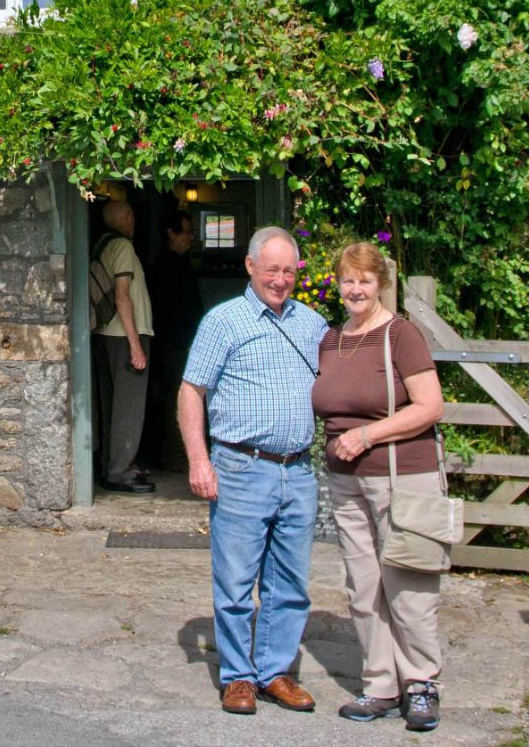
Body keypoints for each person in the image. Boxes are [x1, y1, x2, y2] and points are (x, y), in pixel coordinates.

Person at [178, 226, 328, 716]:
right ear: (250, 267)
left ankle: (275, 671)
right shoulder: (224, 321)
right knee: (237, 583)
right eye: (272, 270)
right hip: (241, 467)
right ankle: (238, 677)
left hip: (298, 471)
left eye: (288, 271)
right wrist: (199, 460)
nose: (281, 280)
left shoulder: (312, 324)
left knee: (290, 584)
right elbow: (190, 392)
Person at [310, 241, 448, 732]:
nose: (355, 289)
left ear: (381, 284)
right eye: (348, 280)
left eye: (365, 280)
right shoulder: (332, 338)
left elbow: (430, 407)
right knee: (363, 586)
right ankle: (380, 686)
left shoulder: (400, 335)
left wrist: (367, 434)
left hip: (402, 477)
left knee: (407, 582)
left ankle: (422, 684)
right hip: (347, 483)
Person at [94, 199, 155, 494]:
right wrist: (135, 345)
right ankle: (120, 471)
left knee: (110, 405)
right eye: (131, 215)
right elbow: (122, 297)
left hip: (106, 335)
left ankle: (111, 465)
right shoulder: (123, 248)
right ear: (127, 217)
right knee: (128, 408)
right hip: (124, 335)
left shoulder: (102, 244)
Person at [138, 210, 204, 472]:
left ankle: (176, 454)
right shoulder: (169, 266)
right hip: (174, 344)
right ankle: (175, 456)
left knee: (175, 396)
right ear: (171, 234)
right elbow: (175, 311)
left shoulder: (173, 263)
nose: (190, 238)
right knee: (176, 397)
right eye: (186, 232)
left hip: (176, 343)